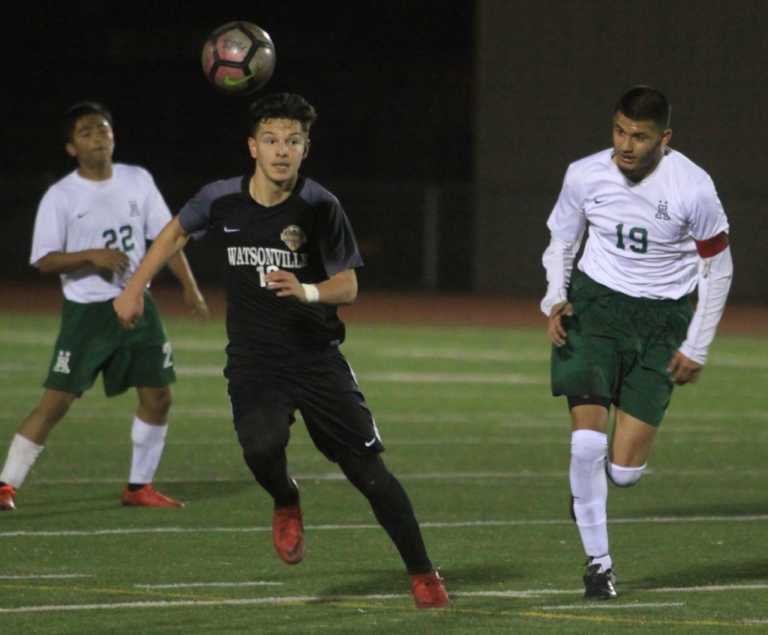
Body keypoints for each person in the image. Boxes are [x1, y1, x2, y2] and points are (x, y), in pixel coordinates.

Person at [112, 93, 449, 609]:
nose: (281, 150)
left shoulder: (320, 207)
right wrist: (136, 287)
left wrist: (308, 290)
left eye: (293, 140)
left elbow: (350, 286)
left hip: (316, 359)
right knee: (260, 448)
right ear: (253, 147)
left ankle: (424, 572)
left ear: (306, 148)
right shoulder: (220, 199)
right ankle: (286, 499)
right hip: (254, 362)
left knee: (370, 473)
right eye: (271, 139)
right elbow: (175, 232)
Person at [540, 86, 733, 599]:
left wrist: (698, 344)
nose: (625, 145)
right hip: (596, 307)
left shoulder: (694, 187)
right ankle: (599, 564)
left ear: (664, 139)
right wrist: (555, 296)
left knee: (622, 474)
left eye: (640, 136)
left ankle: (590, 490)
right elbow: (562, 239)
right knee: (586, 443)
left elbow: (718, 268)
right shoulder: (585, 174)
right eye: (619, 131)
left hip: (661, 321)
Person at [0, 101, 209, 512]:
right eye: (86, 132)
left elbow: (168, 236)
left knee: (158, 397)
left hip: (138, 307)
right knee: (56, 402)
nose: (97, 137)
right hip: (88, 314)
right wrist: (90, 255)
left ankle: (139, 486)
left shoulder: (137, 180)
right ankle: (6, 484)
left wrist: (190, 287)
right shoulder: (61, 196)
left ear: (114, 136)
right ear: (71, 147)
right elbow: (43, 259)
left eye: (103, 129)